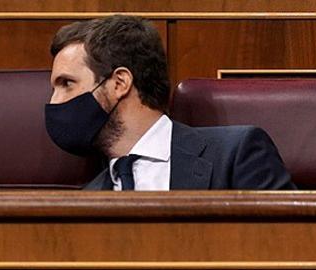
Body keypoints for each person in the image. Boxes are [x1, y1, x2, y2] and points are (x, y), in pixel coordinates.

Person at [44, 15, 296, 191]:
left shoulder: (236, 154)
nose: (55, 101)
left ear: (120, 82)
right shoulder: (88, 199)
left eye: (66, 84)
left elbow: (291, 249)